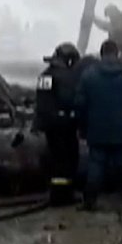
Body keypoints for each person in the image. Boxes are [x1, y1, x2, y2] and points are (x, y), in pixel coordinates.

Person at [75, 40, 122, 212]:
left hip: (97, 131)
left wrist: (82, 128)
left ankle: (89, 201)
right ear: (117, 54)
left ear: (101, 54)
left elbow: (80, 104)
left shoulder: (88, 75)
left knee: (95, 165)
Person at [34, 42, 82, 206]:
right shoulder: (68, 77)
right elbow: (72, 100)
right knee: (68, 159)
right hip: (65, 124)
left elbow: (41, 101)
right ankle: (64, 195)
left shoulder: (45, 75)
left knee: (55, 157)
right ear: (69, 60)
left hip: (49, 124)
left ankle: (56, 193)